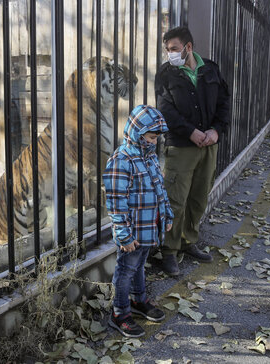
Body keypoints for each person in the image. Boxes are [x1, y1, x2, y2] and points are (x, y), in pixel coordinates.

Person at [154, 26, 230, 276]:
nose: (170, 54)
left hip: (208, 145)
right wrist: (191, 132)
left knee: (199, 197)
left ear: (188, 47)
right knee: (175, 200)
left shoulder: (210, 69)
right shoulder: (166, 74)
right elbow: (166, 109)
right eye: (167, 50)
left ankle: (188, 242)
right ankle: (169, 251)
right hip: (181, 145)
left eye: (174, 49)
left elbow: (223, 103)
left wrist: (216, 130)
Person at [103, 104, 174, 337]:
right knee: (125, 270)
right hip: (132, 232)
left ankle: (138, 300)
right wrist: (123, 234)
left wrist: (167, 215)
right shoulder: (121, 160)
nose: (154, 142)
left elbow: (160, 189)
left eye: (156, 138)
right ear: (137, 131)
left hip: (148, 229)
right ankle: (120, 312)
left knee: (139, 266)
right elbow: (115, 201)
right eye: (151, 137)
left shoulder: (150, 157)